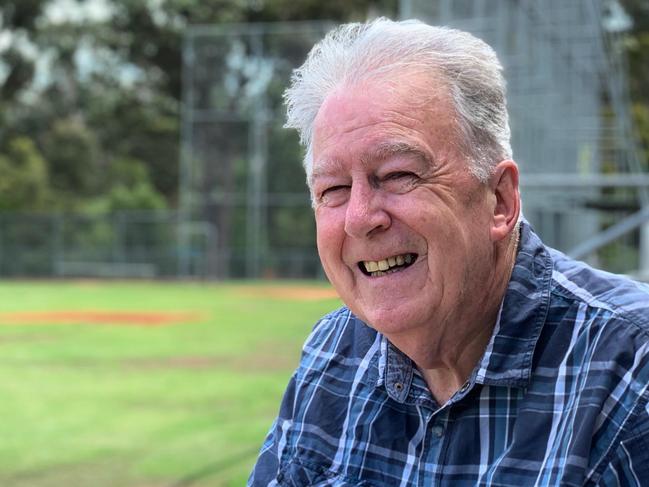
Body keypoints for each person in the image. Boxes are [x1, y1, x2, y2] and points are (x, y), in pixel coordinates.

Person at [248, 18, 649, 486]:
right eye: (333, 188)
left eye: (398, 175)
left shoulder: (630, 373)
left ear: (499, 200)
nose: (359, 217)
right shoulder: (332, 354)